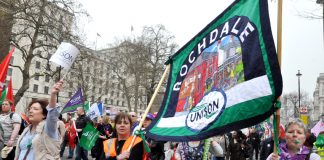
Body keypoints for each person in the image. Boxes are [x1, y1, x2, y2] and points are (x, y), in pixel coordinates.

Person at [14, 80, 64, 160]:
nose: (30, 111)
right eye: (30, 109)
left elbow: (52, 114)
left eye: (35, 109)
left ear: (44, 114)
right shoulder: (26, 130)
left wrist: (53, 94)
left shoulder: (48, 128)